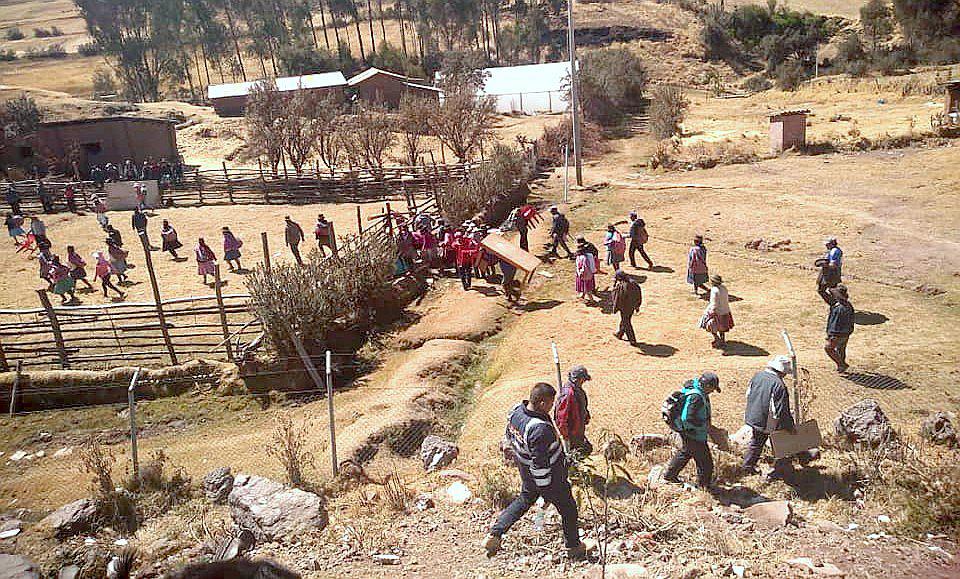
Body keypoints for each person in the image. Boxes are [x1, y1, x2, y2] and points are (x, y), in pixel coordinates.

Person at [483, 382, 586, 560]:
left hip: (525, 468)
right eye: (551, 403)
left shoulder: (516, 411)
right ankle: (573, 546)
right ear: (542, 403)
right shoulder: (539, 429)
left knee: (524, 500)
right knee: (568, 509)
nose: (552, 407)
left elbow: (509, 436)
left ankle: (496, 533)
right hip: (549, 476)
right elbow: (540, 465)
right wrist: (546, 490)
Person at [663, 372, 721, 489]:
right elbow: (687, 418)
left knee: (686, 452)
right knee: (706, 463)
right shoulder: (696, 398)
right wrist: (702, 426)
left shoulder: (694, 388)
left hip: (687, 432)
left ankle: (669, 476)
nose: (712, 392)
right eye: (712, 389)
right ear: (707, 386)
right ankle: (704, 487)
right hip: (694, 434)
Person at [742, 356, 796, 479]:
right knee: (781, 443)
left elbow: (748, 394)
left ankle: (747, 466)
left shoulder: (758, 376)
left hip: (754, 414)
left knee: (756, 442)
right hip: (767, 420)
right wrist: (789, 426)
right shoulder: (779, 385)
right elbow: (780, 410)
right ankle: (779, 469)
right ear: (782, 371)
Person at [554, 366, 593, 456]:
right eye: (583, 379)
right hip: (572, 434)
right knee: (580, 453)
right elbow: (561, 418)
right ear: (578, 379)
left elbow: (582, 406)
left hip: (578, 431)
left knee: (585, 450)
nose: (584, 382)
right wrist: (565, 436)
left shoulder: (578, 390)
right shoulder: (568, 394)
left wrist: (586, 415)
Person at [824, 284, 854, 372]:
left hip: (838, 334)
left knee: (829, 348)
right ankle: (841, 365)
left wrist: (831, 335)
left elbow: (835, 324)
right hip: (846, 333)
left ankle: (841, 364)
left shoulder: (839, 309)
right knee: (841, 349)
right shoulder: (848, 305)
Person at [700, 274, 734, 349]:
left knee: (710, 325)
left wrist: (711, 312)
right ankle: (722, 340)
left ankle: (717, 339)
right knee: (722, 327)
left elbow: (714, 302)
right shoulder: (724, 288)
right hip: (725, 310)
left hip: (717, 311)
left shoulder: (714, 290)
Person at [611, 270, 642, 345]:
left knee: (626, 322)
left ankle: (632, 340)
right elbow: (639, 295)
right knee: (625, 320)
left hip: (625, 307)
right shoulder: (634, 283)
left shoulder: (622, 286)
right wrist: (637, 305)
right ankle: (620, 334)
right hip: (632, 306)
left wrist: (614, 285)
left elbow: (617, 296)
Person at [817, 237, 843, 304]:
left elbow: (833, 265)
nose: (826, 246)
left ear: (832, 244)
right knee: (831, 290)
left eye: (827, 244)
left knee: (825, 290)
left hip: (831, 273)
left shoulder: (834, 251)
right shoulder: (833, 250)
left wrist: (823, 264)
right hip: (830, 273)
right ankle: (836, 303)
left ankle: (834, 304)